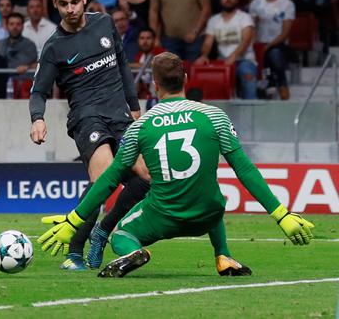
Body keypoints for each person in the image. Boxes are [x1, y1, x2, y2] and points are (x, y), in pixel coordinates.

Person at [38, 52, 315, 278]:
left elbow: (110, 179)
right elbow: (244, 170)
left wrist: (73, 220)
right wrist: (281, 215)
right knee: (210, 194)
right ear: (185, 78)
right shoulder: (214, 116)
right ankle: (222, 255)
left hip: (163, 217)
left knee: (121, 233)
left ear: (154, 84)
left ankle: (134, 251)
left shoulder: (140, 127)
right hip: (206, 216)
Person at [30, 0, 150, 270]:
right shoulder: (54, 46)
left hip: (120, 115)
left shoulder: (105, 23)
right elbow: (38, 90)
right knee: (105, 178)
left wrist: (135, 108)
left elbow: (122, 65)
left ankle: (103, 230)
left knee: (145, 179)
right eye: (62, 4)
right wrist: (37, 119)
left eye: (74, 1)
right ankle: (74, 253)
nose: (70, 9)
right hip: (87, 118)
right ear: (55, 6)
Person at [195, 0, 257, 100]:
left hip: (244, 61)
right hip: (222, 62)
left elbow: (246, 41)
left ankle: (251, 112)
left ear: (237, 0)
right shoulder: (214, 20)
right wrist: (204, 55)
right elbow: (208, 43)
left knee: (248, 75)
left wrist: (234, 56)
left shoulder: (244, 17)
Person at [249, 0, 295, 100]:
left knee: (274, 54)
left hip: (278, 44)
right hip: (258, 44)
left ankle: (277, 85)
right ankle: (272, 86)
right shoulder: (256, 3)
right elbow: (251, 28)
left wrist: (268, 45)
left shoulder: (287, 4)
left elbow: (285, 32)